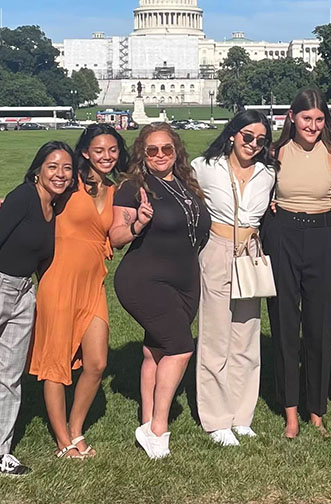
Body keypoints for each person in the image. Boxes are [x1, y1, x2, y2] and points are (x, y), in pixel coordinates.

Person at [109, 123, 210, 459]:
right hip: (144, 280)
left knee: (155, 351)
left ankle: (145, 421)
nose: (161, 155)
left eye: (167, 148)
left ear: (176, 150)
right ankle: (158, 429)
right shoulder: (133, 188)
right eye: (153, 150)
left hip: (183, 280)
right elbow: (116, 237)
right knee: (180, 347)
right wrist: (138, 221)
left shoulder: (186, 183)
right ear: (143, 154)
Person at [30, 125, 128, 459]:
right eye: (99, 150)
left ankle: (75, 427)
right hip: (58, 281)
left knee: (97, 362)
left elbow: (115, 232)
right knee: (56, 364)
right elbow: (33, 198)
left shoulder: (114, 189)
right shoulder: (68, 183)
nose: (106, 156)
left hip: (92, 284)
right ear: (85, 151)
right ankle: (63, 440)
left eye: (112, 150)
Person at [262, 88, 331, 438]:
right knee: (284, 324)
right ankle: (291, 412)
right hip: (282, 236)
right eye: (306, 118)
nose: (312, 125)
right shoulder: (275, 153)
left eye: (319, 119)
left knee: (321, 326)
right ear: (292, 118)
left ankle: (317, 410)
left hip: (322, 237)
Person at [191, 110, 277, 447]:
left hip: (251, 253)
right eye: (247, 136)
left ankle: (242, 415)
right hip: (217, 249)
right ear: (232, 135)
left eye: (260, 139)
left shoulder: (267, 174)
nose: (253, 144)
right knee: (215, 337)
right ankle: (215, 419)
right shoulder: (205, 167)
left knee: (246, 337)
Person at [0, 142, 74, 475]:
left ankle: (2, 452)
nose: (60, 174)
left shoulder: (53, 207)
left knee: (9, 377)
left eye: (67, 168)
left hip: (23, 294)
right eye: (53, 166)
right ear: (38, 170)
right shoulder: (23, 198)